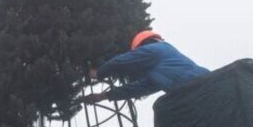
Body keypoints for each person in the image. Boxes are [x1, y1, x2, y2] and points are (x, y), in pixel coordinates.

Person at [79, 30, 209, 104]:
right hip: (201, 88)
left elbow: (121, 61)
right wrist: (104, 96)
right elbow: (138, 88)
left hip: (200, 87)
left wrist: (98, 73)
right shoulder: (160, 72)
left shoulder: (157, 49)